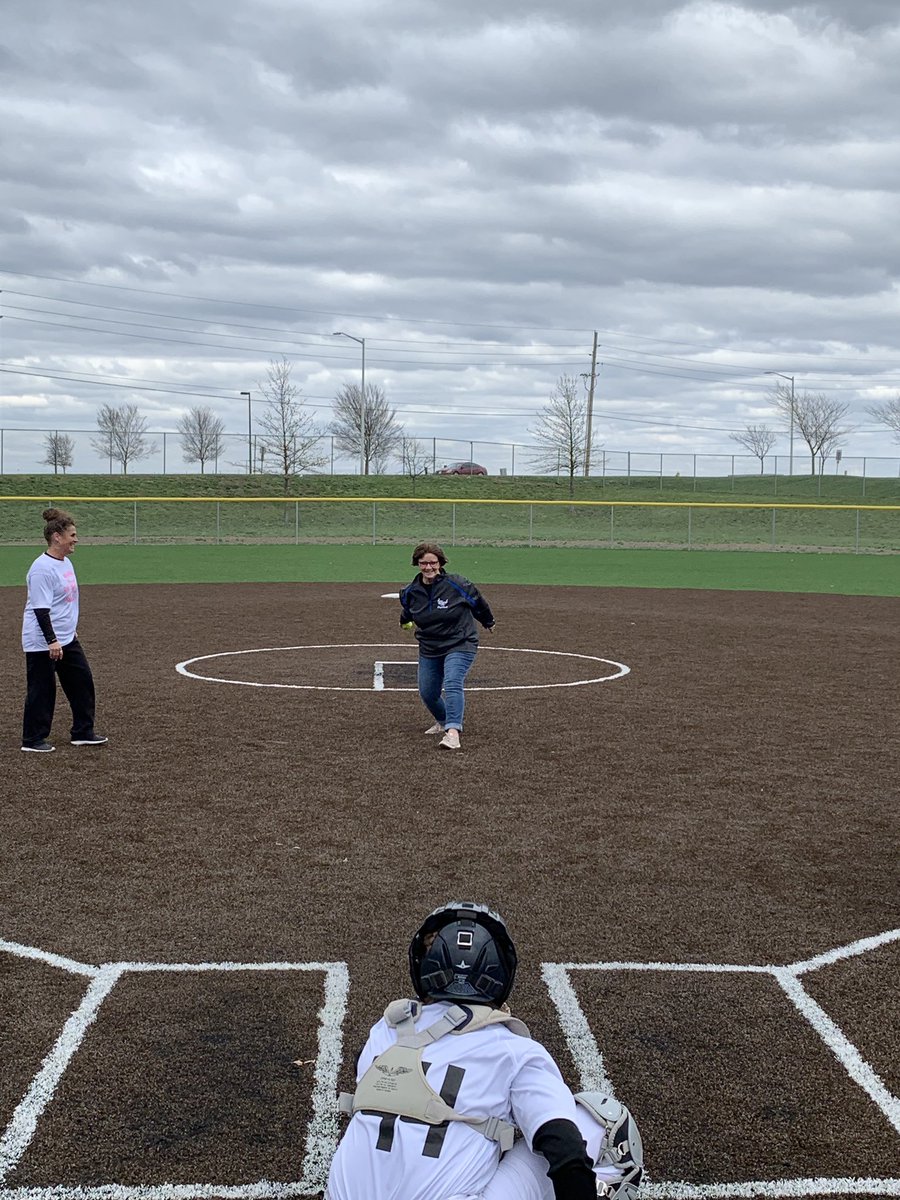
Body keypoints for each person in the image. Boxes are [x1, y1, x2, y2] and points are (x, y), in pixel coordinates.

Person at [326, 901, 644, 1200]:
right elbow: (565, 1149)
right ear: (499, 976)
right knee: (597, 1120)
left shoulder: (386, 1029)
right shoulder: (515, 1050)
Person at [21, 508, 107, 753]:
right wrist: (52, 640)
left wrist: (69, 631)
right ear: (57, 537)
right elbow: (40, 609)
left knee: (82, 682)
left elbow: (65, 602)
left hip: (66, 639)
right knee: (42, 690)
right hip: (43, 641)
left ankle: (82, 732)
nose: (76, 539)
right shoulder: (41, 569)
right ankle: (32, 739)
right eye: (72, 534)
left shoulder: (65, 563)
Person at [399, 542, 495, 750]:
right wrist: (404, 622)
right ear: (417, 564)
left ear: (441, 563)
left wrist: (488, 621)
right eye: (423, 563)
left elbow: (478, 602)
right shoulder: (410, 592)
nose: (428, 567)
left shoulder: (457, 584)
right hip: (430, 646)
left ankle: (453, 733)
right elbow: (407, 613)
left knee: (452, 681)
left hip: (460, 642)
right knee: (428, 693)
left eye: (433, 562)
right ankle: (443, 721)